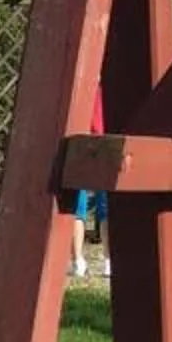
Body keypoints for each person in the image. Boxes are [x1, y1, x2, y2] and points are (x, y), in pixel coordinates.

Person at [70, 89, 110, 280]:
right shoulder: (108, 87)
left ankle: (78, 261)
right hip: (105, 142)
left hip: (79, 141)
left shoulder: (79, 86)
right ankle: (109, 261)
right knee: (106, 208)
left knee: (77, 205)